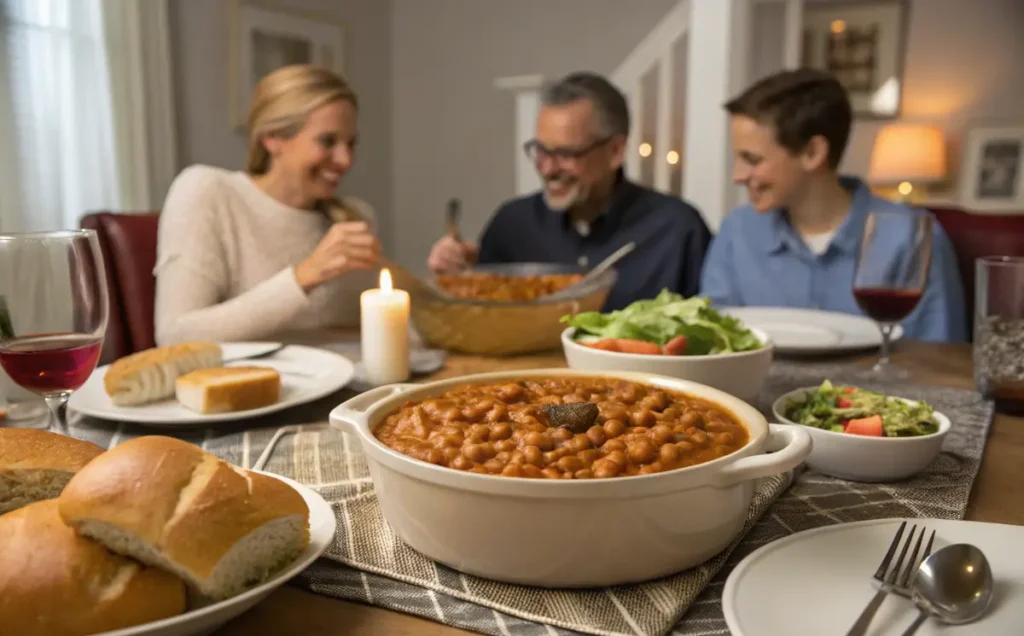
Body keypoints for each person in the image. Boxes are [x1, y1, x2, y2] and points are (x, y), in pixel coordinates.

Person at [700, 68, 966, 342]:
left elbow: (941, 356)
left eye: (753, 160)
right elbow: (715, 341)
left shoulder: (911, 237)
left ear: (812, 153)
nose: (738, 176)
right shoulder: (738, 231)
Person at [427, 72, 712, 312]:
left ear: (615, 151)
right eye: (540, 150)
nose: (548, 169)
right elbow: (475, 319)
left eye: (565, 153)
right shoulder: (511, 224)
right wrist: (456, 277)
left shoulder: (678, 229)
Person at [154, 65, 382, 346]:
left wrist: (441, 285)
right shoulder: (209, 192)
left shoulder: (354, 216)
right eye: (327, 141)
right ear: (272, 138)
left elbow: (387, 329)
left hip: (351, 387)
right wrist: (304, 276)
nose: (345, 160)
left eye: (351, 144)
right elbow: (174, 336)